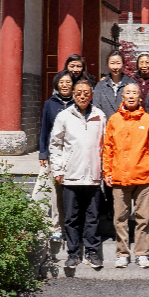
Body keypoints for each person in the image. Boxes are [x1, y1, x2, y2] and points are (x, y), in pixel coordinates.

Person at [49, 79, 107, 269]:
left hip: (93, 176)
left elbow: (106, 146)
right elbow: (55, 144)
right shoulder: (64, 116)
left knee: (92, 217)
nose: (82, 96)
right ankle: (73, 254)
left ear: (91, 95)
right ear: (73, 95)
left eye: (86, 93)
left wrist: (104, 169)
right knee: (71, 218)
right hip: (70, 175)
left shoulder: (99, 116)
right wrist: (58, 169)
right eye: (79, 93)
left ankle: (92, 252)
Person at [102, 83, 149, 268]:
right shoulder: (114, 120)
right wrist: (107, 171)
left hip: (143, 177)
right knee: (120, 218)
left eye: (135, 93)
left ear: (139, 97)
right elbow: (108, 148)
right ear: (123, 97)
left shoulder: (148, 120)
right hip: (119, 176)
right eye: (128, 93)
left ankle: (142, 253)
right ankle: (122, 253)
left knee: (143, 218)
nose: (131, 96)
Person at [36, 70, 75, 242]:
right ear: (57, 85)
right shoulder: (49, 104)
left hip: (74, 153)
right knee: (56, 192)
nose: (65, 85)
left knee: (73, 191)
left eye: (68, 82)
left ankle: (73, 227)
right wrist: (43, 152)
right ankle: (57, 227)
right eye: (61, 82)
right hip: (56, 154)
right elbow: (44, 129)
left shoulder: (78, 103)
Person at [93, 51, 135, 120]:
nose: (115, 67)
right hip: (106, 124)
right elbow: (96, 108)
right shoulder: (100, 86)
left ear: (123, 64)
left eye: (118, 63)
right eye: (112, 63)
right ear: (107, 65)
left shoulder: (132, 84)